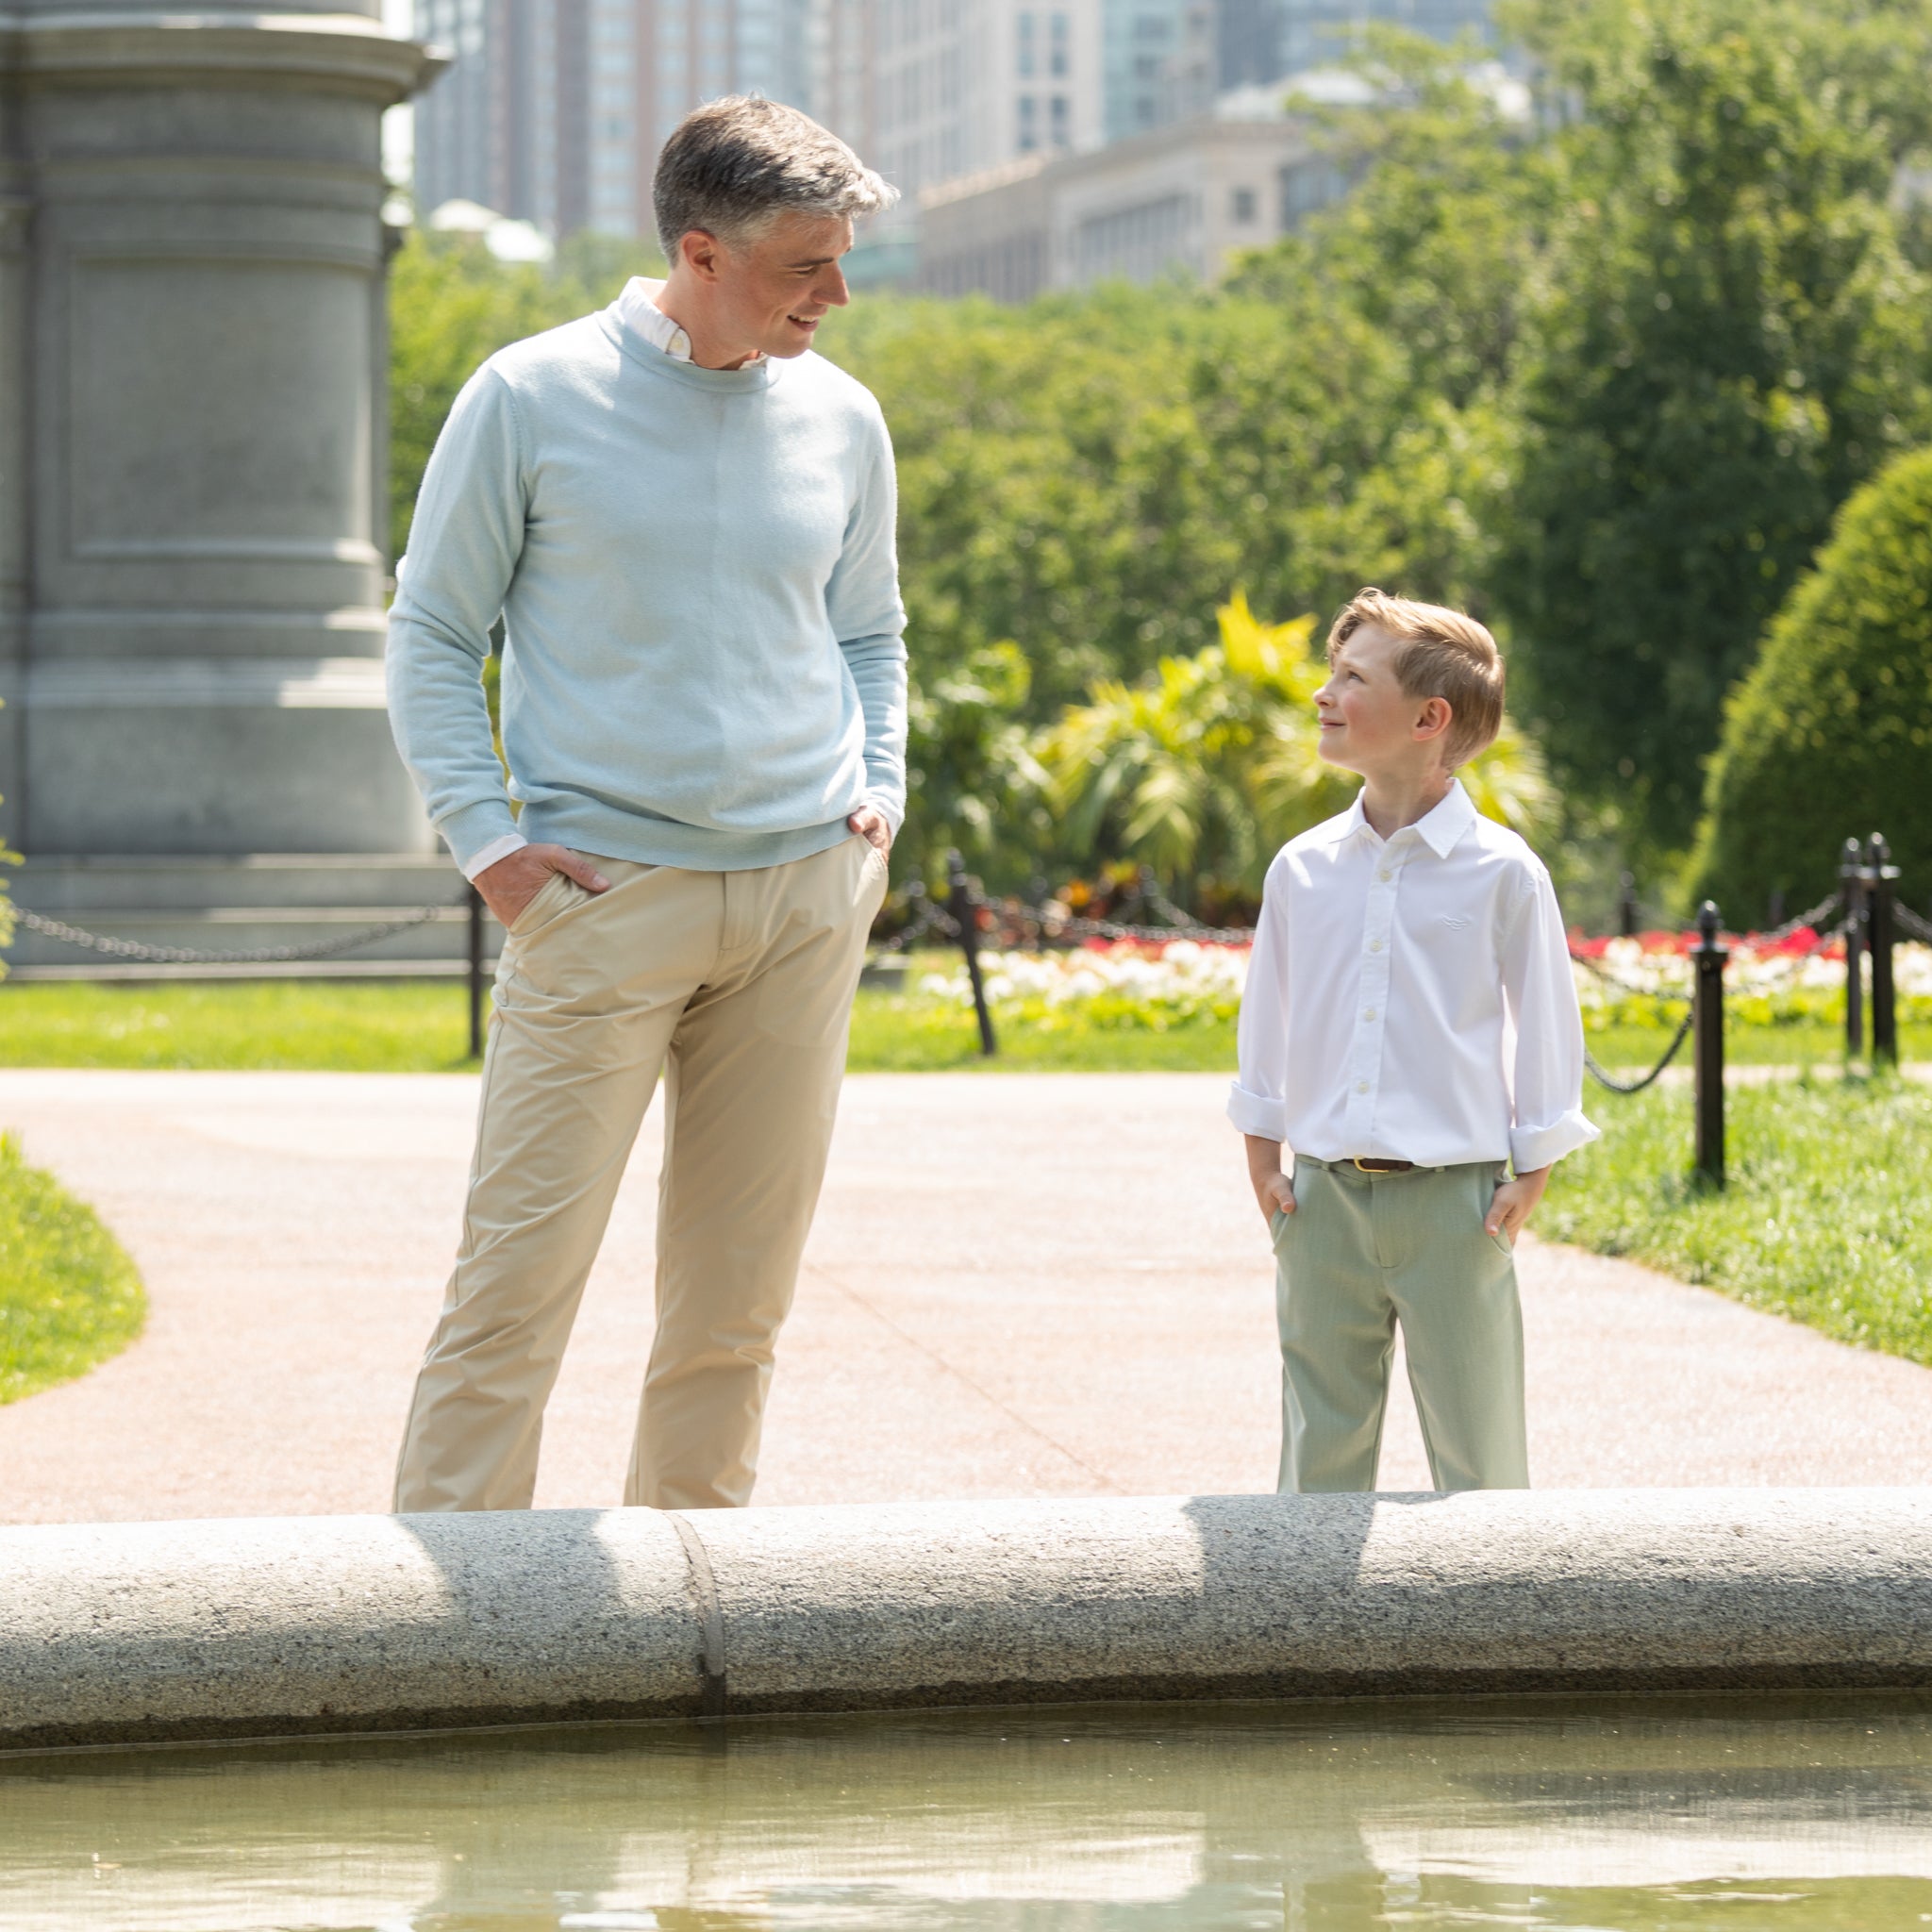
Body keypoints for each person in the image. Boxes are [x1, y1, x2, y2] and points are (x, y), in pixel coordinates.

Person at [384, 97, 906, 1513]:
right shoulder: (528, 396)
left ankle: (693, 1602)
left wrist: (878, 790)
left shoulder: (843, 417)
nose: (837, 295)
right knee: (513, 1293)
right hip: (602, 900)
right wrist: (490, 848)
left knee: (738, 1307)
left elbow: (869, 632)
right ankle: (444, 1621)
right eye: (806, 266)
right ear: (700, 251)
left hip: (803, 898)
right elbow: (433, 633)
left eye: (841, 260)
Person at [1227, 589, 1597, 1493]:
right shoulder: (1302, 869)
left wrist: (1535, 1166)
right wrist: (1264, 1156)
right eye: (1332, 672)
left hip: (1457, 1209)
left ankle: (1494, 1593)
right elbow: (1268, 1014)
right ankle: (1312, 1595)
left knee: (1481, 1459)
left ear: (1430, 719)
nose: (1325, 693)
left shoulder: (1504, 871)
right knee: (1318, 1463)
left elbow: (1547, 1021)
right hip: (1319, 1206)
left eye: (1354, 678)